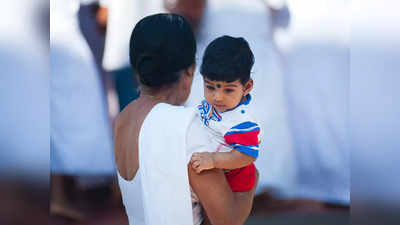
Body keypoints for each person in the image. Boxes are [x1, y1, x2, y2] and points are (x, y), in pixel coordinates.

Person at [114, 13, 257, 225]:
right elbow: (228, 220)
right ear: (189, 72)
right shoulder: (186, 126)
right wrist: (251, 180)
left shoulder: (123, 118)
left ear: (137, 69)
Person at [190, 36, 261, 194]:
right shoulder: (213, 105)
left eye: (228, 90)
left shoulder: (242, 123)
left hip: (232, 184)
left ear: (247, 86)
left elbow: (246, 155)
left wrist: (214, 160)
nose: (217, 97)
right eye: (210, 87)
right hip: (207, 171)